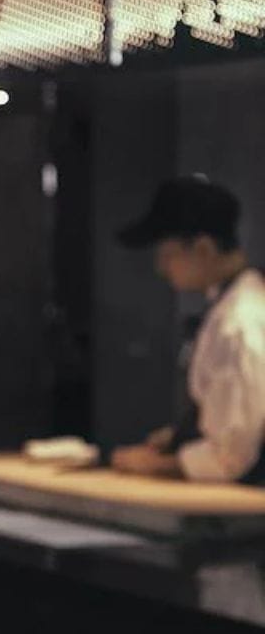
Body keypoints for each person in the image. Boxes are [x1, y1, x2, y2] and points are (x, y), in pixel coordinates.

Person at [111, 174, 265, 483]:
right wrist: (181, 436)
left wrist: (154, 465)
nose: (161, 268)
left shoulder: (239, 322)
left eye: (167, 254)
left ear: (204, 249)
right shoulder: (232, 307)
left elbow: (231, 457)